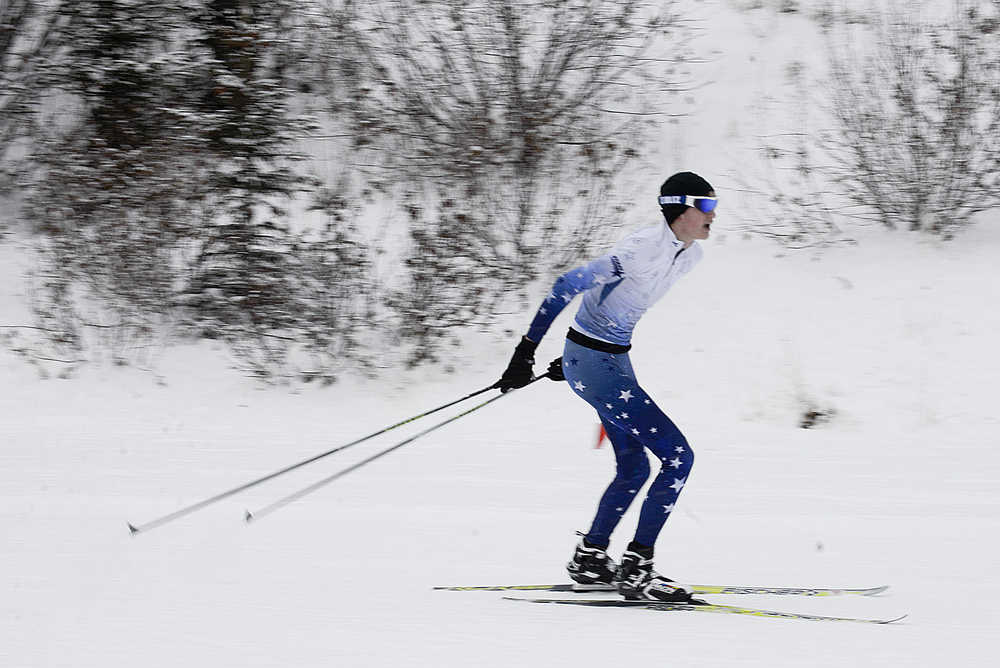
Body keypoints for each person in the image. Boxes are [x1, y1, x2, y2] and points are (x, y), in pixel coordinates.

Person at [495, 171, 717, 602]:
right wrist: (526, 352)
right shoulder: (640, 249)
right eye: (705, 206)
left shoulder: (689, 256)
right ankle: (638, 566)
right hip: (596, 363)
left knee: (635, 468)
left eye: (714, 205)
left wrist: (579, 353)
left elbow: (612, 305)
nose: (713, 214)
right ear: (679, 208)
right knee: (678, 457)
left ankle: (591, 559)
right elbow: (567, 285)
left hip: (606, 360)